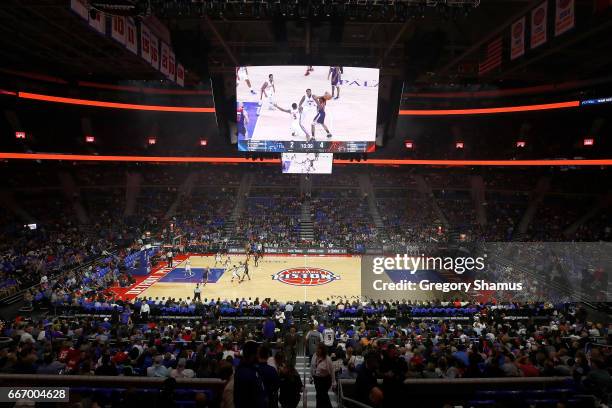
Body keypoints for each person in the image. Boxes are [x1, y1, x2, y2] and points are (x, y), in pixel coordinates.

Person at [234, 341, 268, 408]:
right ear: (253, 355)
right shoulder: (244, 373)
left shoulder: (253, 369)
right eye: (258, 353)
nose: (259, 356)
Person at [310, 344, 336, 408]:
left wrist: (334, 382)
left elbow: (332, 371)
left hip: (325, 380)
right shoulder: (314, 356)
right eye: (317, 349)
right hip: (317, 379)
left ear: (322, 351)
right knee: (319, 395)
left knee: (323, 395)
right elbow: (312, 367)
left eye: (319, 350)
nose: (317, 351)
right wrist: (311, 376)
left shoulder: (328, 359)